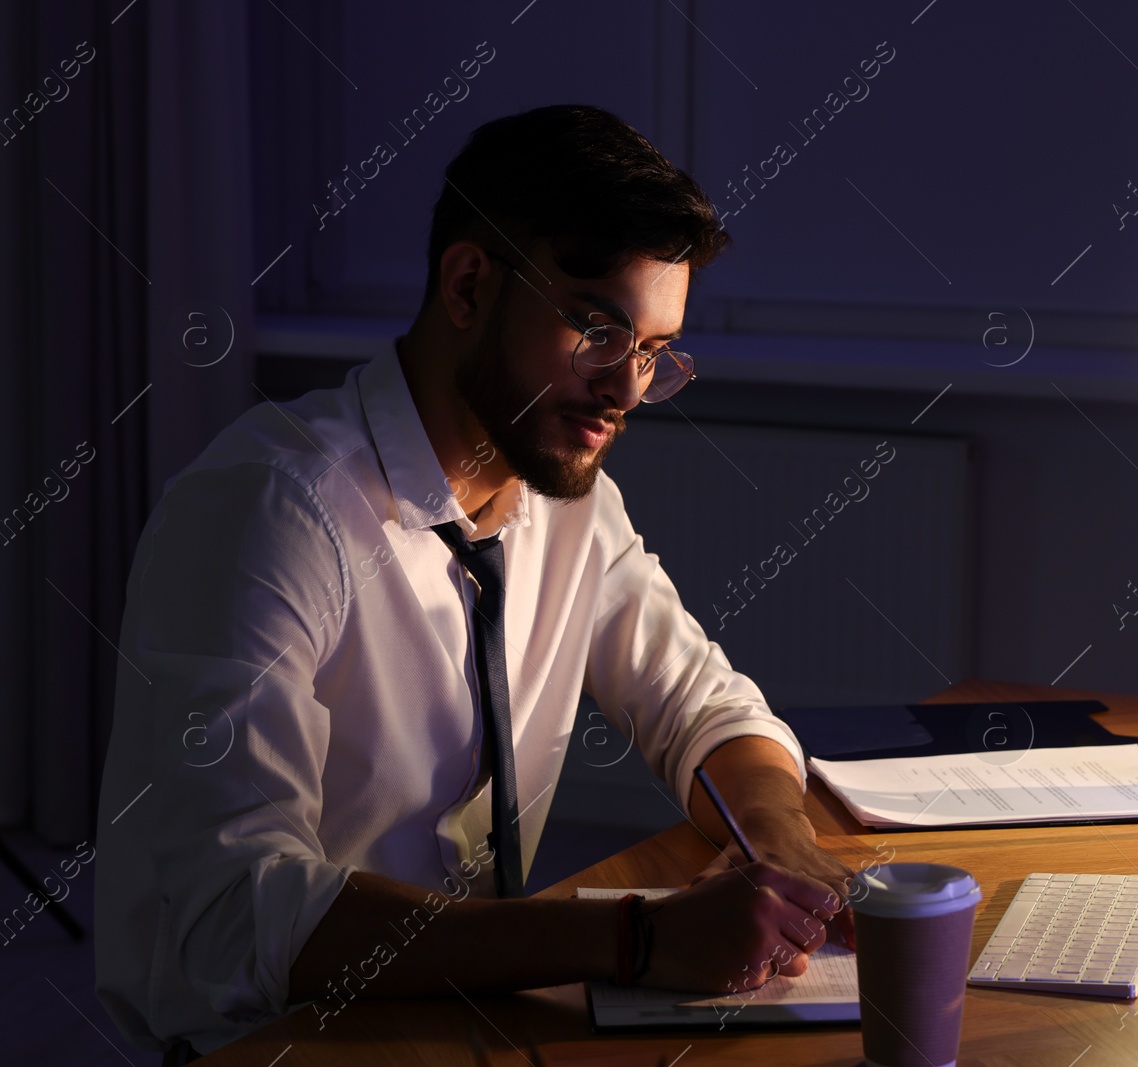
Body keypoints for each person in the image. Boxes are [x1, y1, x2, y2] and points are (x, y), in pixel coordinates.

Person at [94, 104, 857, 1059]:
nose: (626, 391)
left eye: (655, 352)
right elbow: (235, 915)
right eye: (598, 331)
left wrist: (777, 837)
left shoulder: (567, 501)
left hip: (470, 1020)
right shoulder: (272, 508)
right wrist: (631, 936)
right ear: (467, 286)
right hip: (282, 1043)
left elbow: (701, 704)